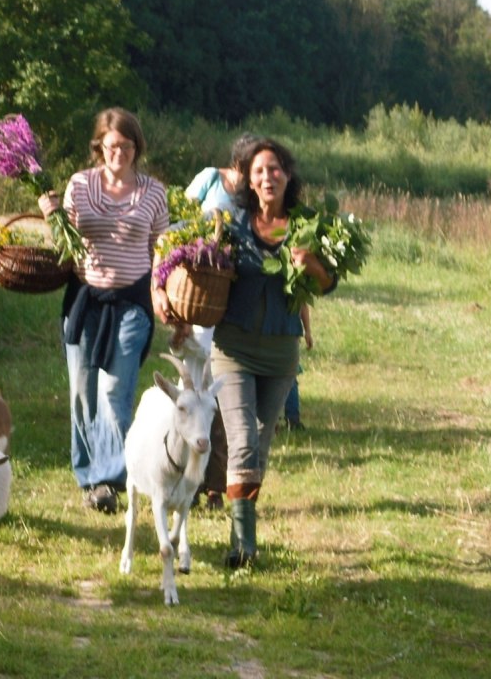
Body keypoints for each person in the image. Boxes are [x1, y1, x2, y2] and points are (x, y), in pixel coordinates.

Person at [159, 138, 335, 568]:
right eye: (259, 171)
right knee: (239, 441)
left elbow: (329, 282)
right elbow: (171, 245)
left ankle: (241, 533)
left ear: (287, 176)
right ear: (248, 180)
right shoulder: (229, 223)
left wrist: (309, 261)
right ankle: (245, 547)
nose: (267, 177)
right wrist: (161, 291)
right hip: (233, 348)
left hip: (280, 351)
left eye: (274, 169)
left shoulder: (306, 226)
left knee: (259, 443)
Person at [39, 108, 170, 514]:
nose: (120, 153)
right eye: (113, 146)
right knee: (82, 393)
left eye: (127, 146)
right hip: (85, 301)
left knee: (115, 390)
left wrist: (164, 293)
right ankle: (87, 474)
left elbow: (162, 249)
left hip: (132, 303)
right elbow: (67, 246)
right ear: (100, 147)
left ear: (136, 148)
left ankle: (109, 478)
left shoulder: (153, 192)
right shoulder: (80, 185)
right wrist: (51, 216)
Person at [181, 133, 262, 510]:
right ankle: (186, 477)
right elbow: (179, 224)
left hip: (233, 295)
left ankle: (214, 484)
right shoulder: (210, 179)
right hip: (203, 294)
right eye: (251, 168)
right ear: (238, 164)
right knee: (195, 388)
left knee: (223, 396)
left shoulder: (254, 198)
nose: (255, 177)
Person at [282, 303, 313, 431]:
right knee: (290, 379)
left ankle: (292, 419)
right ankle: (291, 420)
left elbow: (303, 304)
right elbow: (303, 304)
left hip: (288, 334)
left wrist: (308, 331)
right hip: (283, 333)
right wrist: (307, 332)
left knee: (290, 379)